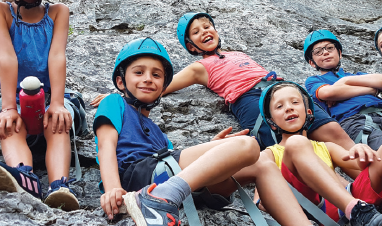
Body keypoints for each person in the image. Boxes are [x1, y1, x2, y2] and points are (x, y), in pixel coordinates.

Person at [95, 37, 314, 226]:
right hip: (138, 179)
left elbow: (174, 166)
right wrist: (113, 188)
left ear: (163, 87)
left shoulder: (157, 133)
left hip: (165, 179)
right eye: (139, 72)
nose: (148, 79)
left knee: (263, 164)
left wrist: (214, 148)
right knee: (248, 145)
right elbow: (106, 145)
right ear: (121, 81)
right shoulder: (115, 102)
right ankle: (157, 197)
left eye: (156, 75)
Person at [0, 0, 78, 211]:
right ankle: (24, 175)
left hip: (49, 96)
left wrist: (57, 103)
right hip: (16, 98)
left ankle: (60, 185)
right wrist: (9, 107)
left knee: (56, 124)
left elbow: (57, 56)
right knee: (11, 128)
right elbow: (7, 57)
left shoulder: (58, 12)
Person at [160, 12, 353, 150]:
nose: (204, 31)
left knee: (332, 130)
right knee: (276, 147)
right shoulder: (198, 68)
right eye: (196, 32)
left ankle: (368, 177)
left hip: (278, 87)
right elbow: (163, 87)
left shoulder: (238, 53)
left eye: (207, 26)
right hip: (247, 98)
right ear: (191, 47)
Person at [258, 81, 382, 225]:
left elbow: (361, 167)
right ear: (272, 122)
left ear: (309, 113)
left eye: (295, 102)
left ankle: (360, 211)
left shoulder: (327, 147)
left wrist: (361, 151)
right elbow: (261, 200)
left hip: (354, 204)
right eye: (279, 106)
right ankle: (355, 210)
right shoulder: (268, 155)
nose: (288, 108)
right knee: (296, 142)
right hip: (314, 211)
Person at [304, 29, 382, 150]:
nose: (325, 53)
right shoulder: (313, 81)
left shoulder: (358, 75)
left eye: (329, 48)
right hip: (355, 121)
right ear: (312, 62)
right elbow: (328, 92)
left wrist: (344, 82)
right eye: (318, 52)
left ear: (340, 53)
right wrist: (371, 90)